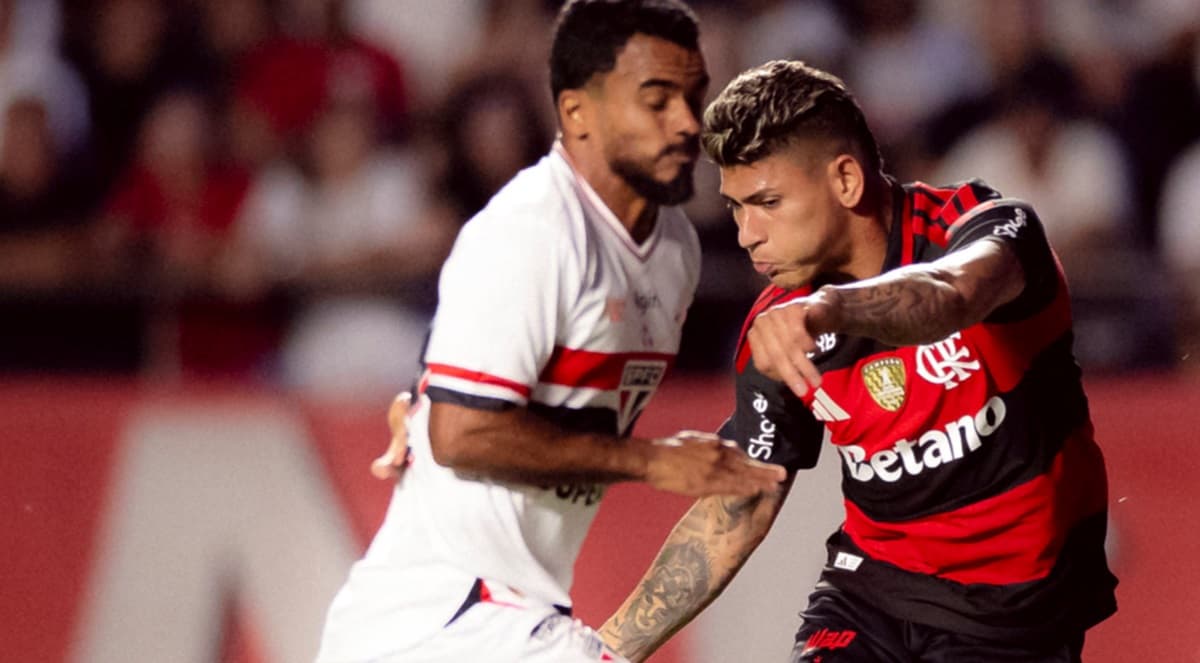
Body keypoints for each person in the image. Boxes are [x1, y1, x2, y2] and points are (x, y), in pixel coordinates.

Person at [599, 60, 1117, 663]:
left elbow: (951, 299)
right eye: (737, 207)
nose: (746, 234)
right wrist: (604, 651)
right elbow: (736, 506)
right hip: (870, 597)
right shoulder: (779, 324)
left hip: (1016, 618)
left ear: (845, 179)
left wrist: (828, 311)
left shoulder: (985, 231)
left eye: (767, 201)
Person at [313, 3, 786, 662]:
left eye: (693, 95)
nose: (685, 122)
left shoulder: (677, 250)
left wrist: (421, 400)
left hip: (513, 610)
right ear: (577, 114)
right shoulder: (531, 232)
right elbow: (461, 433)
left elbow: (468, 377)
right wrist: (652, 461)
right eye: (656, 100)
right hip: (445, 617)